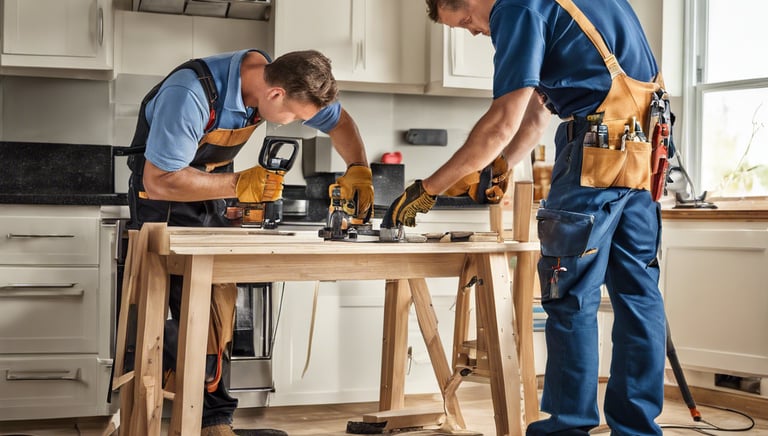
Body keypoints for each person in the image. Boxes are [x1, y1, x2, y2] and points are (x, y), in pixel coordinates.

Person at [385, 0, 669, 434]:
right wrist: (500, 165)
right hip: (644, 149)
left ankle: (566, 427)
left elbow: (502, 120)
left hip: (594, 152)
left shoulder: (516, 8)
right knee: (638, 293)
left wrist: (428, 189)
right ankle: (637, 429)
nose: (475, 32)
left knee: (570, 293)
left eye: (464, 21)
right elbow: (537, 113)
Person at [125, 48, 373, 436]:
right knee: (180, 310)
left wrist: (359, 168)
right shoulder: (189, 94)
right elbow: (160, 180)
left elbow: (340, 122)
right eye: (295, 117)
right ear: (274, 95)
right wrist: (240, 183)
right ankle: (166, 420)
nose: (295, 124)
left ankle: (213, 421)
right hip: (163, 204)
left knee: (219, 305)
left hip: (213, 194)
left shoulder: (280, 81)